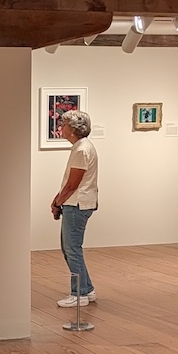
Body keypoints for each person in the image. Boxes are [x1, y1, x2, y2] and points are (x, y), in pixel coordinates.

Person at [50, 110, 99, 308]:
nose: (61, 128)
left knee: (72, 250)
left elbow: (72, 185)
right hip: (78, 203)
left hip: (77, 204)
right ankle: (87, 289)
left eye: (64, 125)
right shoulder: (82, 147)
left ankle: (78, 294)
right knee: (71, 248)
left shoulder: (81, 150)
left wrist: (57, 203)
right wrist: (58, 199)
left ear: (74, 129)